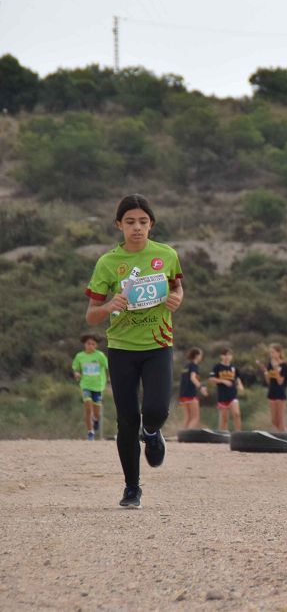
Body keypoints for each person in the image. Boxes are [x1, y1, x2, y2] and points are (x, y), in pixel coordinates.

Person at [84, 194, 183, 509]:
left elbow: (177, 287)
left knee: (155, 410)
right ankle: (131, 488)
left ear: (151, 224)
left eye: (143, 221)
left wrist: (178, 298)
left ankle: (152, 433)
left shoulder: (166, 255)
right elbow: (91, 314)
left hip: (158, 344)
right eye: (130, 222)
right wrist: (109, 305)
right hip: (122, 348)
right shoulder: (108, 263)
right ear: (119, 225)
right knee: (126, 420)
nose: (137, 228)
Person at [71, 334, 109, 440]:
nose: (90, 346)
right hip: (85, 385)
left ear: (96, 345)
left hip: (98, 386)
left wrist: (110, 377)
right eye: (88, 343)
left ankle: (96, 420)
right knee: (88, 408)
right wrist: (77, 373)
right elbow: (76, 368)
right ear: (84, 344)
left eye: (93, 344)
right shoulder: (80, 356)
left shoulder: (100, 356)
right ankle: (90, 432)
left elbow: (107, 367)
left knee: (97, 412)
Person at [210, 348, 243, 432]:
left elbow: (237, 378)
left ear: (231, 356)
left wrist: (240, 385)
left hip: (232, 394)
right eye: (225, 355)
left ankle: (238, 434)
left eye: (229, 355)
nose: (227, 357)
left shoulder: (233, 368)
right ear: (221, 356)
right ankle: (222, 436)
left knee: (236, 414)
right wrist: (223, 381)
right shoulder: (217, 367)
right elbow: (211, 379)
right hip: (222, 395)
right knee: (224, 419)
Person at [178, 347, 207, 429]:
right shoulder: (194, 365)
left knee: (187, 418)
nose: (201, 357)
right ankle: (187, 436)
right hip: (190, 394)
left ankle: (181, 436)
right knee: (195, 418)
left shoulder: (186, 366)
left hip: (182, 394)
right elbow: (193, 378)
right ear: (197, 355)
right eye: (201, 355)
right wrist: (201, 388)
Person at [264, 344, 287, 432]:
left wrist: (275, 368)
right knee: (274, 421)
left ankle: (285, 437)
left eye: (273, 352)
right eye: (270, 352)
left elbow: (280, 381)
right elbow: (269, 382)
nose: (271, 354)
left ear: (279, 353)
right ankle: (285, 435)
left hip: (280, 393)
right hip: (272, 392)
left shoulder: (284, 366)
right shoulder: (269, 364)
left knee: (280, 419)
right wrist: (266, 375)